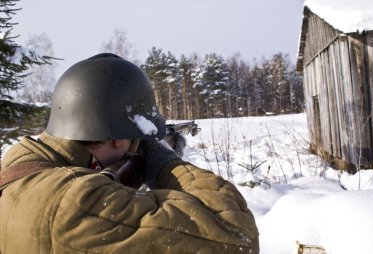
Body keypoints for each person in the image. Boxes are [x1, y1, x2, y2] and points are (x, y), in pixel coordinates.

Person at [0, 53, 259, 253]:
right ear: (119, 138)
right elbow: (235, 234)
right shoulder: (76, 202)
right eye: (136, 140)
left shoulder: (19, 169)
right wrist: (167, 164)